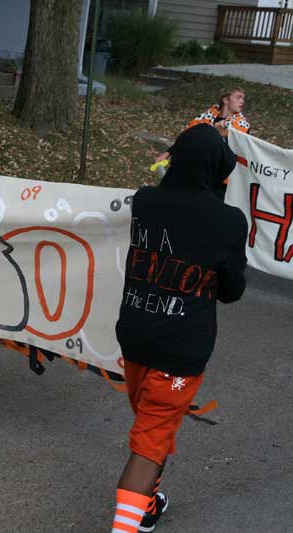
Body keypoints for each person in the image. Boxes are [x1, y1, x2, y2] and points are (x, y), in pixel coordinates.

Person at [110, 124, 248, 532]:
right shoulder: (228, 221)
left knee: (154, 427)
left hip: (134, 336)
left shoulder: (146, 201)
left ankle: (147, 505)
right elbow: (232, 291)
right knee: (150, 441)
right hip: (182, 349)